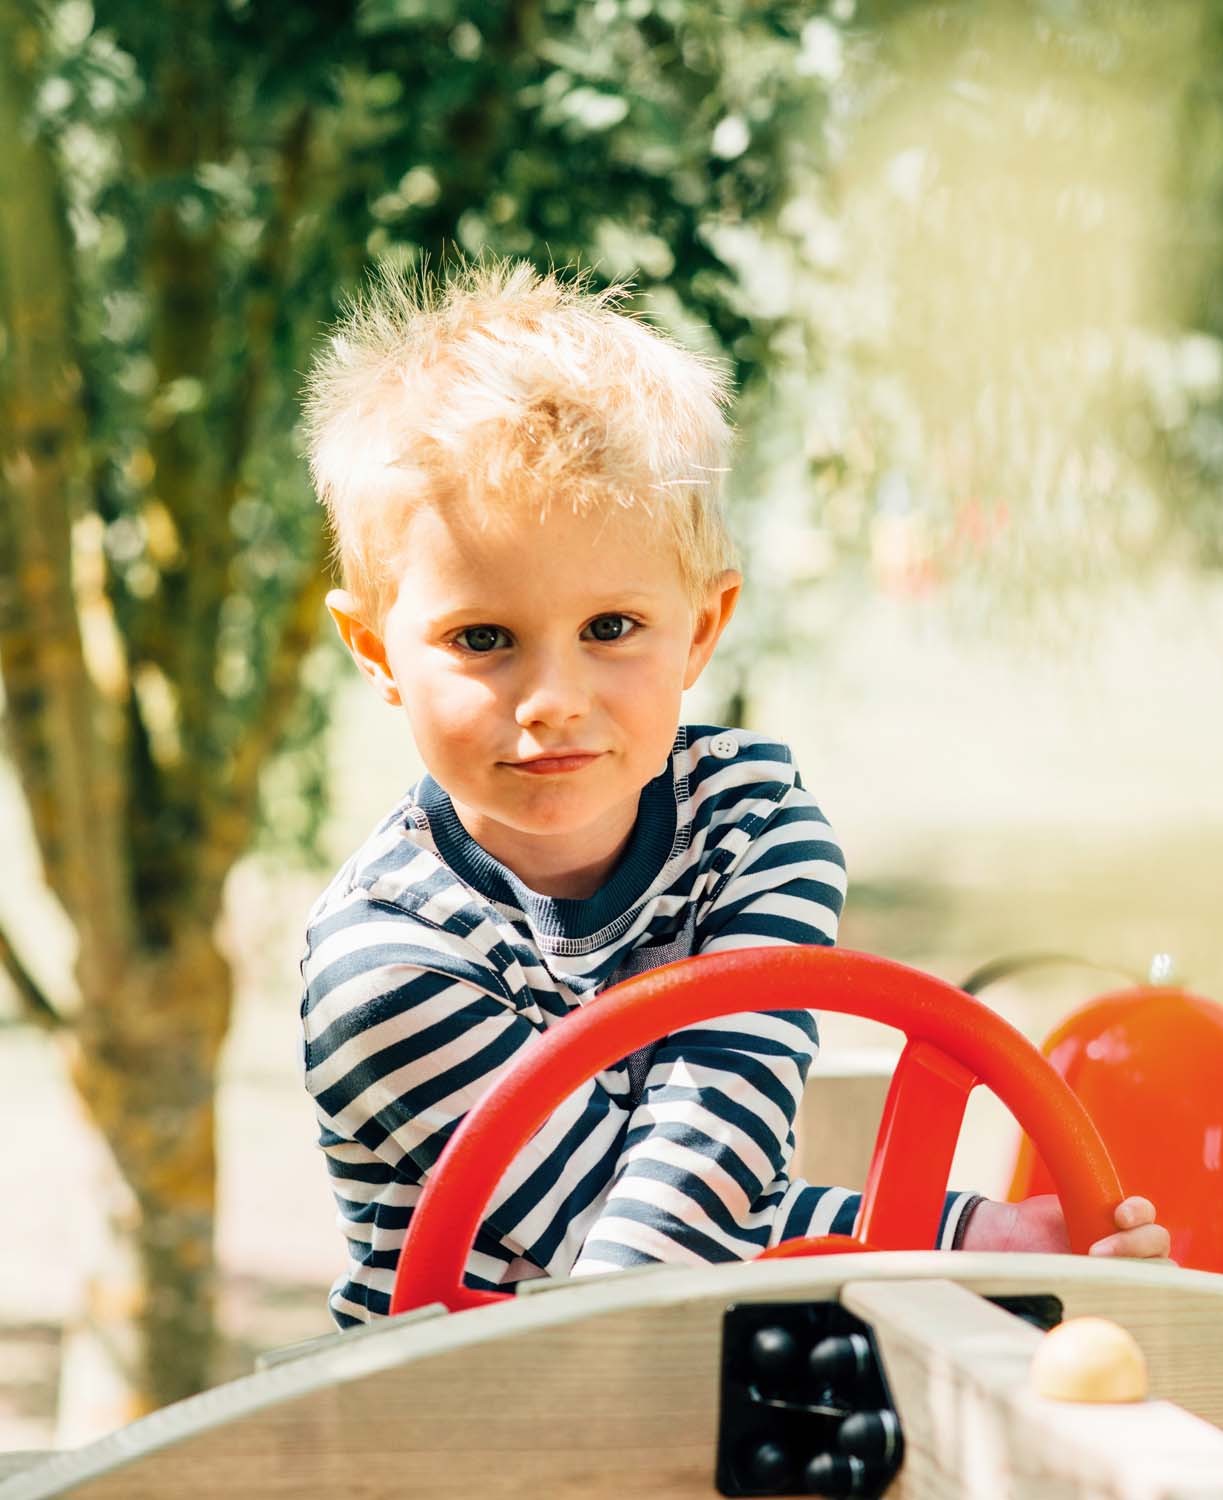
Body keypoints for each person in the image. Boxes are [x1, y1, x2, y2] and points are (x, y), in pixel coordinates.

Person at [299, 260, 1168, 1326]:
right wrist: (945, 1242)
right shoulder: (381, 966)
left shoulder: (753, 830)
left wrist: (970, 1239)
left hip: (681, 1379)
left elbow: (717, 1154)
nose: (555, 700)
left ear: (702, 629)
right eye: (484, 639)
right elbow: (626, 1255)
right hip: (452, 1439)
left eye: (611, 629)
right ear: (374, 650)